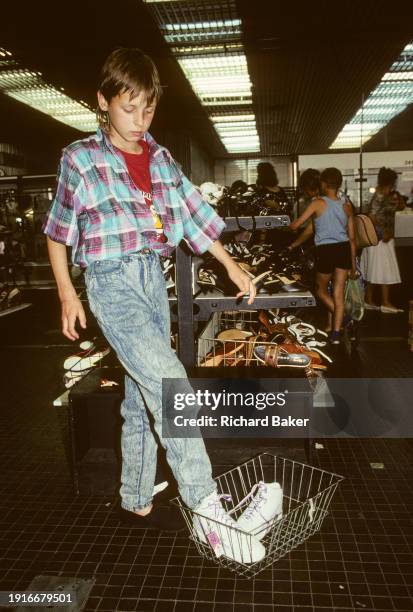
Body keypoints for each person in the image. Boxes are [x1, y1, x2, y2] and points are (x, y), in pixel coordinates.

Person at [43, 48, 260, 550]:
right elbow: (57, 233)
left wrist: (229, 264)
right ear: (103, 101)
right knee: (168, 382)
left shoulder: (160, 158)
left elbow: (191, 215)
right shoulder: (80, 159)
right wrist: (66, 295)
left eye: (148, 108)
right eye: (128, 108)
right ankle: (207, 507)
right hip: (110, 283)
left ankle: (135, 499)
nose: (139, 120)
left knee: (142, 398)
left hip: (148, 279)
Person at [290, 167, 357, 344]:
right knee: (338, 292)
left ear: (323, 184)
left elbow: (296, 226)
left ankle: (345, 318)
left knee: (320, 290)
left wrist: (287, 224)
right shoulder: (346, 205)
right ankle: (335, 335)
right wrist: (353, 266)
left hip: (325, 250)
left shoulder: (317, 203)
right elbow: (352, 237)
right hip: (343, 249)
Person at [360, 167, 405, 313]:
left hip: (375, 238)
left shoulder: (383, 193)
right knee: (384, 269)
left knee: (373, 268)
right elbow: (373, 216)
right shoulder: (381, 194)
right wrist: (384, 232)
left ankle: (369, 299)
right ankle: (385, 302)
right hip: (380, 238)